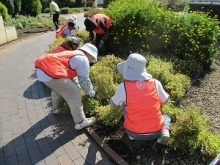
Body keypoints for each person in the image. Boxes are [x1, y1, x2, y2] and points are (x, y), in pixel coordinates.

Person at [110, 53, 171, 145]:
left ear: (127, 68)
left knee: (124, 104)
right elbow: (165, 101)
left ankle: (131, 136)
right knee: (166, 117)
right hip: (156, 131)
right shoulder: (155, 83)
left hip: (133, 132)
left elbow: (113, 104)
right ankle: (165, 131)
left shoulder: (123, 87)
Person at [35, 43, 98, 130]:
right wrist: (91, 93)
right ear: (88, 53)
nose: (91, 61)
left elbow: (73, 79)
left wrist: (77, 86)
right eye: (92, 59)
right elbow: (84, 81)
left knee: (57, 90)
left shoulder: (72, 54)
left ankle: (56, 109)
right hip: (52, 73)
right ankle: (81, 122)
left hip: (42, 72)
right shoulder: (83, 58)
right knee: (75, 95)